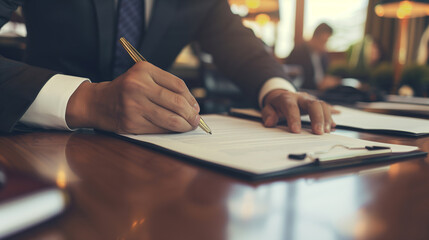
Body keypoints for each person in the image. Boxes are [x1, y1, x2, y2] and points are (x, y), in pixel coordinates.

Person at [0, 0, 335, 135]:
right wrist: (86, 100)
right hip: (37, 145)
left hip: (151, 159)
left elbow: (235, 41)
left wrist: (278, 89)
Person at [285, 23, 336, 90]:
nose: (325, 45)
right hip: (306, 91)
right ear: (315, 37)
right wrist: (318, 84)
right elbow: (295, 78)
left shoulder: (322, 55)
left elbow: (324, 74)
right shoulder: (298, 52)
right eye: (323, 41)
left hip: (322, 91)